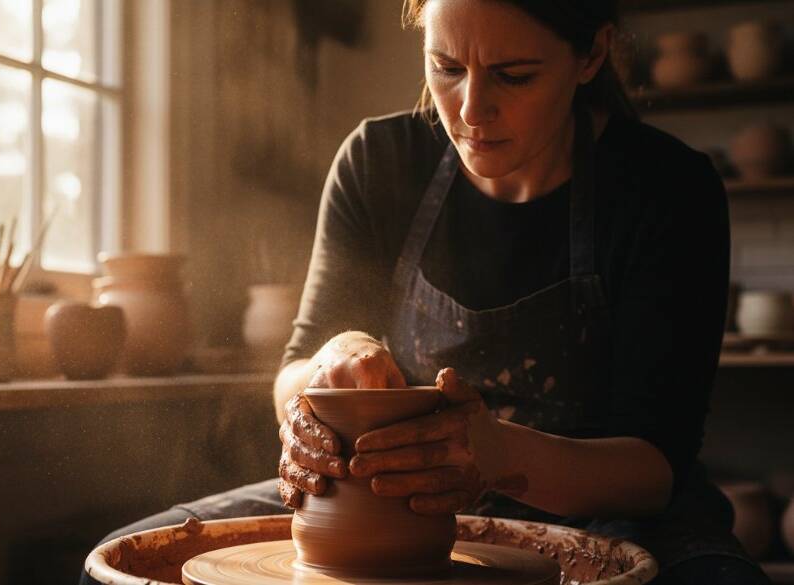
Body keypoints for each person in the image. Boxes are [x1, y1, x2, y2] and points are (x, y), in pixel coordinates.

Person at [81, 1, 771, 584]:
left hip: (604, 508)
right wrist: (329, 366)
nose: (471, 108)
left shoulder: (664, 188)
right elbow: (294, 369)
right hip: (389, 501)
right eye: (445, 68)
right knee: (118, 565)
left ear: (589, 57)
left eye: (513, 74)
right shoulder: (380, 161)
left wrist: (495, 453)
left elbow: (653, 467)